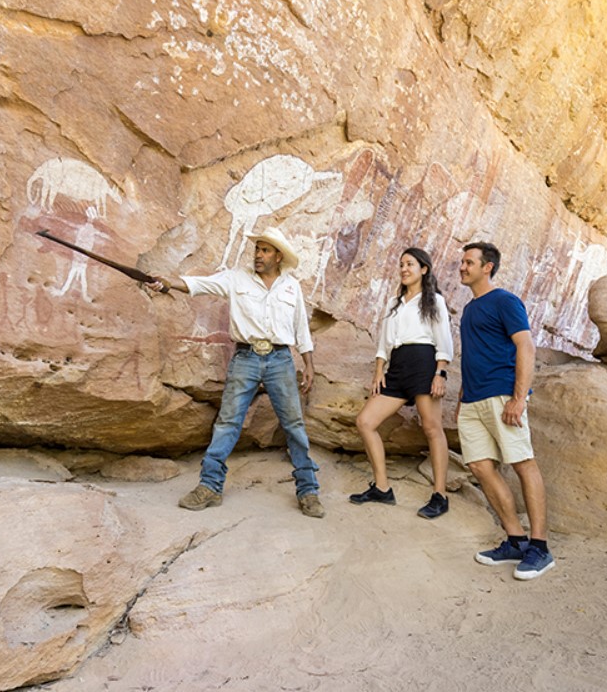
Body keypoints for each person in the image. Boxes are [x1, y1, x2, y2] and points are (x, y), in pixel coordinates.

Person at [147, 226, 324, 519]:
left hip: (280, 359)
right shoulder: (236, 278)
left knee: (293, 424)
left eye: (265, 250)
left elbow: (301, 329)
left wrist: (309, 364)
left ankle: (308, 490)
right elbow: (200, 284)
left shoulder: (291, 287)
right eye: (257, 249)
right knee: (228, 422)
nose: (258, 254)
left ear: (278, 256)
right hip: (246, 357)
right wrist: (168, 283)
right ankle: (210, 486)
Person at [456, 242, 554, 580]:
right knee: (480, 466)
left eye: (469, 262)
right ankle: (515, 540)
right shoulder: (469, 310)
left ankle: (539, 548)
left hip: (502, 395)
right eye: (462, 261)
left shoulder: (505, 301)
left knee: (523, 463)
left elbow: (525, 344)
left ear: (488, 267)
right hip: (472, 401)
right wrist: (461, 399)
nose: (462, 267)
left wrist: (519, 397)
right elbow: (472, 356)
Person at [348, 247, 453, 519]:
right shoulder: (395, 303)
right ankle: (382, 488)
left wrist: (440, 372)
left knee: (431, 428)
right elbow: (384, 341)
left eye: (410, 264)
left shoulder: (434, 301)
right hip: (398, 365)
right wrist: (379, 370)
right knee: (365, 422)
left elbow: (443, 339)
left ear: (424, 269)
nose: (404, 269)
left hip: (424, 361)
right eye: (401, 264)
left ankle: (439, 495)